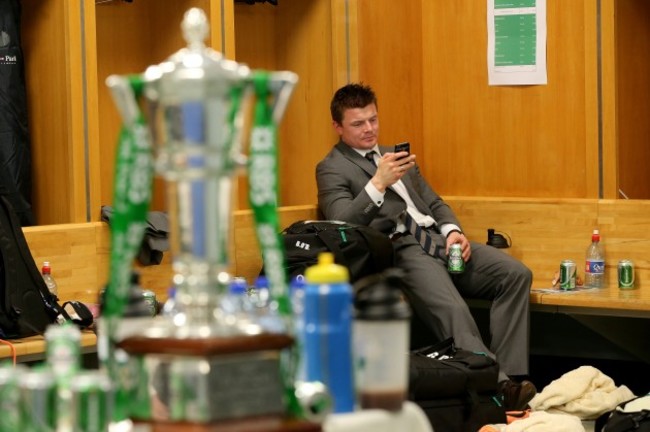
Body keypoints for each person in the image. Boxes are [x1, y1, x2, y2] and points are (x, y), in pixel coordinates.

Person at [316, 83, 536, 410]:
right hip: (401, 247)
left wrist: (452, 231)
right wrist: (378, 183)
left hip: (438, 240)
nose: (369, 129)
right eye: (358, 123)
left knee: (515, 275)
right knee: (454, 309)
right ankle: (498, 386)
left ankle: (509, 378)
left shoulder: (396, 154)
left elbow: (433, 201)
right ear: (338, 127)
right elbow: (341, 223)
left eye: (373, 120)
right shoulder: (333, 167)